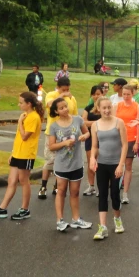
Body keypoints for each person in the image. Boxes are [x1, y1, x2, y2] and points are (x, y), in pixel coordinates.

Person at [0, 92, 43, 220]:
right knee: (11, 181)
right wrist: (13, 153)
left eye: (21, 102)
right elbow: (18, 138)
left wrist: (20, 123)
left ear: (29, 104)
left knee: (24, 180)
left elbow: (25, 136)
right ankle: (2, 208)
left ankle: (25, 209)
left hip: (27, 154)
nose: (19, 105)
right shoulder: (24, 115)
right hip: (18, 153)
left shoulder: (34, 117)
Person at [46, 97, 91, 232]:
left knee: (75, 192)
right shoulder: (54, 126)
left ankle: (76, 219)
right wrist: (64, 143)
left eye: (66, 106)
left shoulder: (77, 119)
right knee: (61, 191)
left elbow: (87, 132)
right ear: (56, 111)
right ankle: (60, 220)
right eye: (61, 108)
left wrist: (85, 136)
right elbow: (52, 146)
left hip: (76, 163)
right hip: (62, 164)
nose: (65, 109)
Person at [90, 97, 129, 240]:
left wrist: (121, 164)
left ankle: (117, 219)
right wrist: (92, 158)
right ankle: (103, 227)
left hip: (116, 164)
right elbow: (95, 146)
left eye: (108, 107)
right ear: (98, 108)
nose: (106, 110)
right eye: (103, 108)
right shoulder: (95, 125)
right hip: (101, 164)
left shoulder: (119, 122)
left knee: (114, 194)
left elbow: (125, 145)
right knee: (102, 194)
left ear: (111, 108)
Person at [41, 77, 78, 200]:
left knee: (63, 160)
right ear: (58, 87)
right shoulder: (52, 95)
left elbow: (75, 115)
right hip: (53, 133)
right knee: (50, 160)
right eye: (64, 89)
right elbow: (49, 104)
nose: (67, 91)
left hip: (67, 134)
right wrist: (61, 95)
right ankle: (43, 186)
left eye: (68, 89)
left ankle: (57, 186)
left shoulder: (72, 98)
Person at [113, 84, 139, 204]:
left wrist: (137, 142)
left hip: (130, 138)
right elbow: (113, 123)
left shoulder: (137, 107)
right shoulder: (117, 105)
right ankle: (115, 191)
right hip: (118, 138)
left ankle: (125, 194)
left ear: (132, 93)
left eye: (128, 94)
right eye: (124, 94)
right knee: (116, 164)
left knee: (128, 166)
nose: (125, 96)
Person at [80, 85, 104, 196]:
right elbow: (83, 121)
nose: (96, 96)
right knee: (91, 162)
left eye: (98, 94)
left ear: (102, 94)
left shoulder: (105, 108)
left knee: (102, 163)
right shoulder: (88, 108)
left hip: (103, 138)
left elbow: (107, 120)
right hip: (90, 137)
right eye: (94, 94)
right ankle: (91, 186)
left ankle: (101, 186)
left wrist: (93, 123)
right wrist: (98, 123)